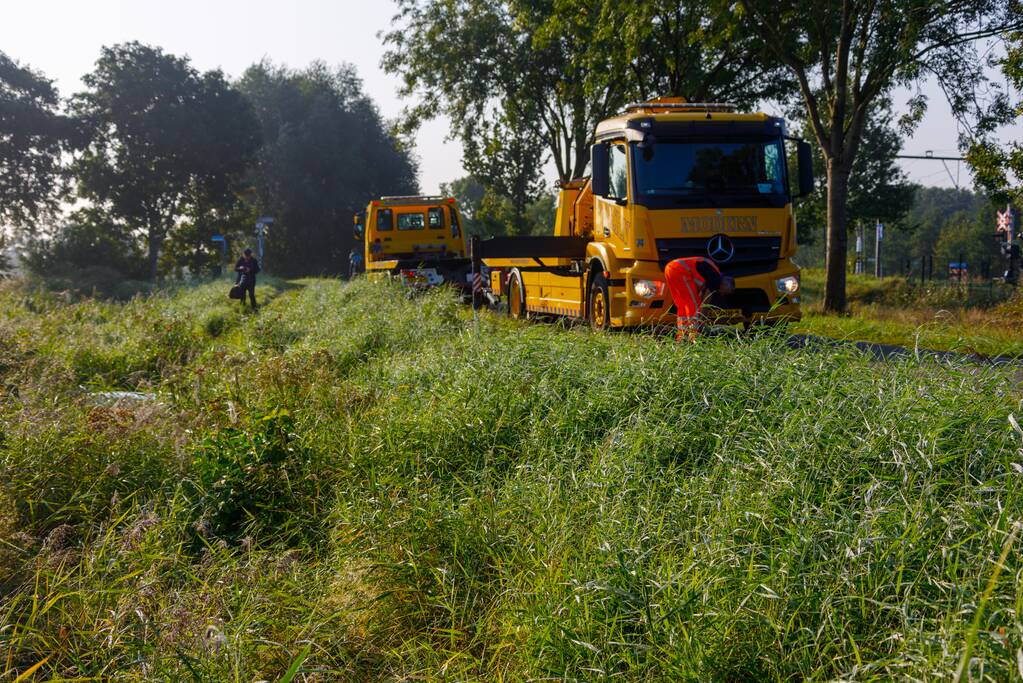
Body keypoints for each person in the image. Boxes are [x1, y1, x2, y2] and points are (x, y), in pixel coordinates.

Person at [663, 256, 735, 341]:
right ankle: (695, 336)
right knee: (693, 305)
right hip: (680, 270)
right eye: (725, 292)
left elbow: (701, 296)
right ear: (725, 284)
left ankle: (683, 336)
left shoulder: (711, 274)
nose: (721, 294)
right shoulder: (716, 279)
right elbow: (706, 301)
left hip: (670, 268)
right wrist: (702, 319)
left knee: (683, 306)